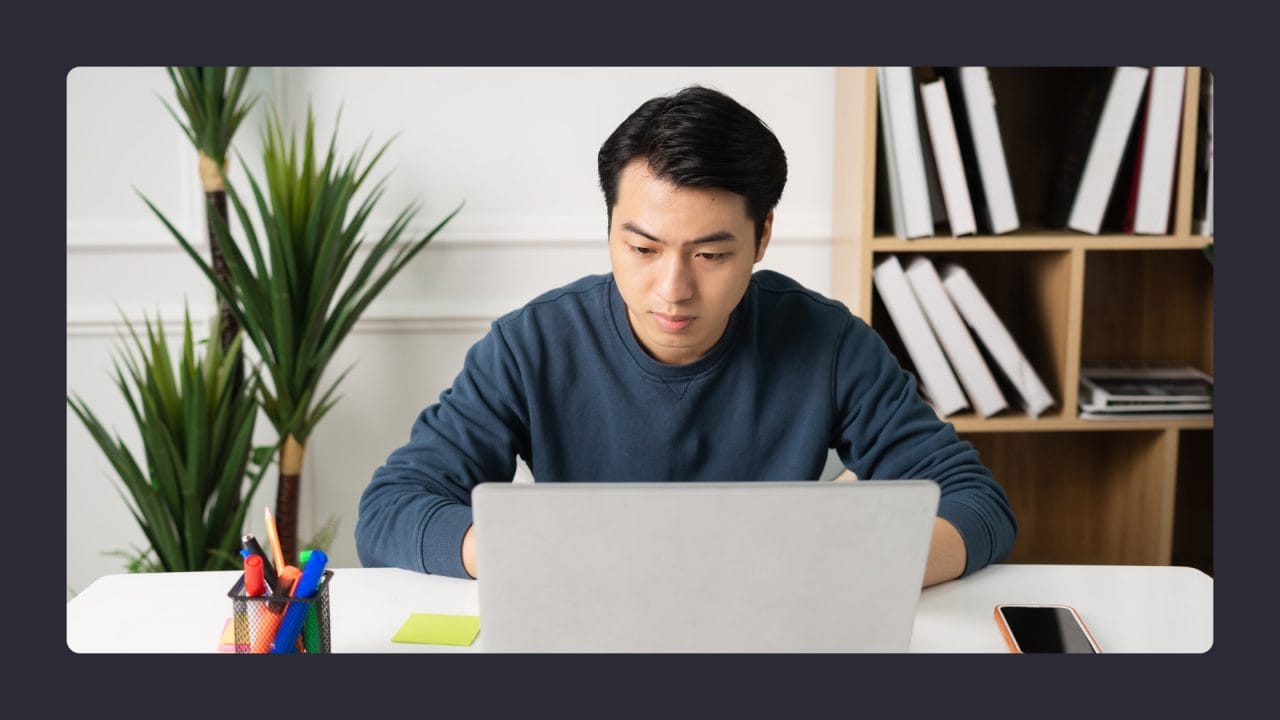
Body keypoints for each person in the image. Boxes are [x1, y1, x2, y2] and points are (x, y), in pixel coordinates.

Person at [355, 85, 1016, 586]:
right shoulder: (532, 345)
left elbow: (976, 504)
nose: (672, 289)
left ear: (761, 239)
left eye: (710, 255)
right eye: (642, 249)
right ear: (610, 228)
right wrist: (527, 556)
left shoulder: (827, 342)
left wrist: (844, 568)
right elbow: (389, 511)